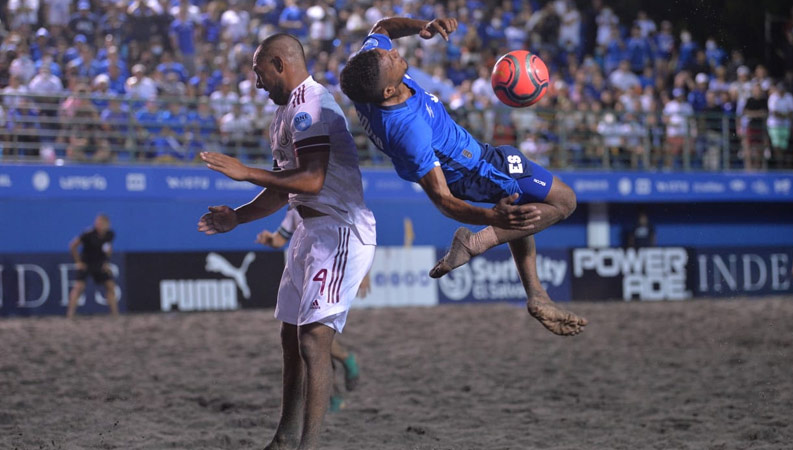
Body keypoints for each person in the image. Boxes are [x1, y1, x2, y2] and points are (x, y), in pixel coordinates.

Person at [339, 17, 587, 336]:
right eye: (389, 59)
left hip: (477, 159)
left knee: (519, 212)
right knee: (564, 201)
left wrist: (421, 26)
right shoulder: (407, 131)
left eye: (386, 53)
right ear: (388, 90)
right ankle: (474, 244)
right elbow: (442, 198)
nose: (392, 53)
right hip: (476, 169)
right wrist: (489, 218)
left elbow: (382, 29)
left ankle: (537, 295)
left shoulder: (366, 70)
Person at [197, 33, 376, 450]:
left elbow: (312, 180)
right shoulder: (284, 114)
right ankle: (284, 438)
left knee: (314, 339)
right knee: (290, 336)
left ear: (280, 64)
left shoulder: (312, 106)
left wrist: (245, 172)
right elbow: (283, 190)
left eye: (261, 74)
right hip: (308, 232)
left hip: (339, 230)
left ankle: (306, 445)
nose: (258, 84)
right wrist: (238, 217)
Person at [256, 208, 364, 411]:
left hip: (327, 273)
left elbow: (358, 234)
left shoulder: (325, 203)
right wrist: (269, 239)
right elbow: (280, 240)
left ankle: (344, 362)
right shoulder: (294, 211)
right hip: (304, 275)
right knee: (308, 339)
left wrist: (363, 271)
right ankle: (334, 396)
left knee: (312, 336)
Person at [66, 214, 119, 318]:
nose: (99, 225)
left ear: (107, 224)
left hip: (99, 264)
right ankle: (70, 315)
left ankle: (115, 315)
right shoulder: (88, 234)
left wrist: (106, 262)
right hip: (86, 264)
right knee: (79, 287)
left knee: (110, 286)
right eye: (97, 223)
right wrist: (78, 262)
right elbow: (73, 246)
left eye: (101, 223)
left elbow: (108, 249)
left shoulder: (110, 234)